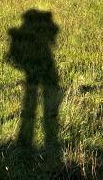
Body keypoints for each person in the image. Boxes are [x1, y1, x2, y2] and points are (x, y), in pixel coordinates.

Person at [6, 9, 62, 151]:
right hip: (43, 73)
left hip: (36, 71)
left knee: (32, 106)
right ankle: (45, 142)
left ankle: (26, 142)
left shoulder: (23, 35)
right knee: (41, 109)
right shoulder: (40, 36)